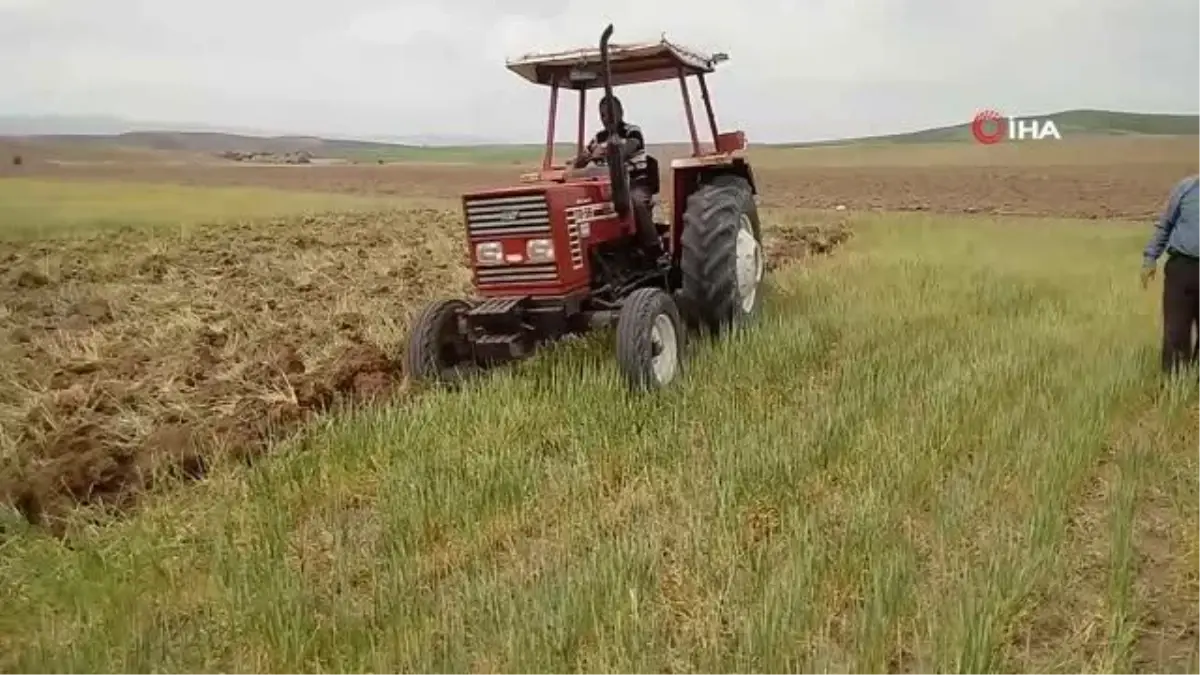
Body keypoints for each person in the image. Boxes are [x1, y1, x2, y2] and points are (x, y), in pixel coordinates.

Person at [573, 94, 665, 262]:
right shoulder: (599, 138)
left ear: (621, 112)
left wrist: (610, 150)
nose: (606, 119)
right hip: (611, 185)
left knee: (635, 202)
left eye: (610, 114)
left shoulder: (632, 131)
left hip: (637, 183)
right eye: (602, 115)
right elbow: (579, 162)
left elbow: (626, 150)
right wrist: (587, 157)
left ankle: (654, 250)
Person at [1142, 173, 1200, 374]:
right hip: (1181, 268)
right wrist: (1150, 257)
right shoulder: (1186, 189)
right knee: (1175, 331)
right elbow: (1165, 224)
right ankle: (1174, 385)